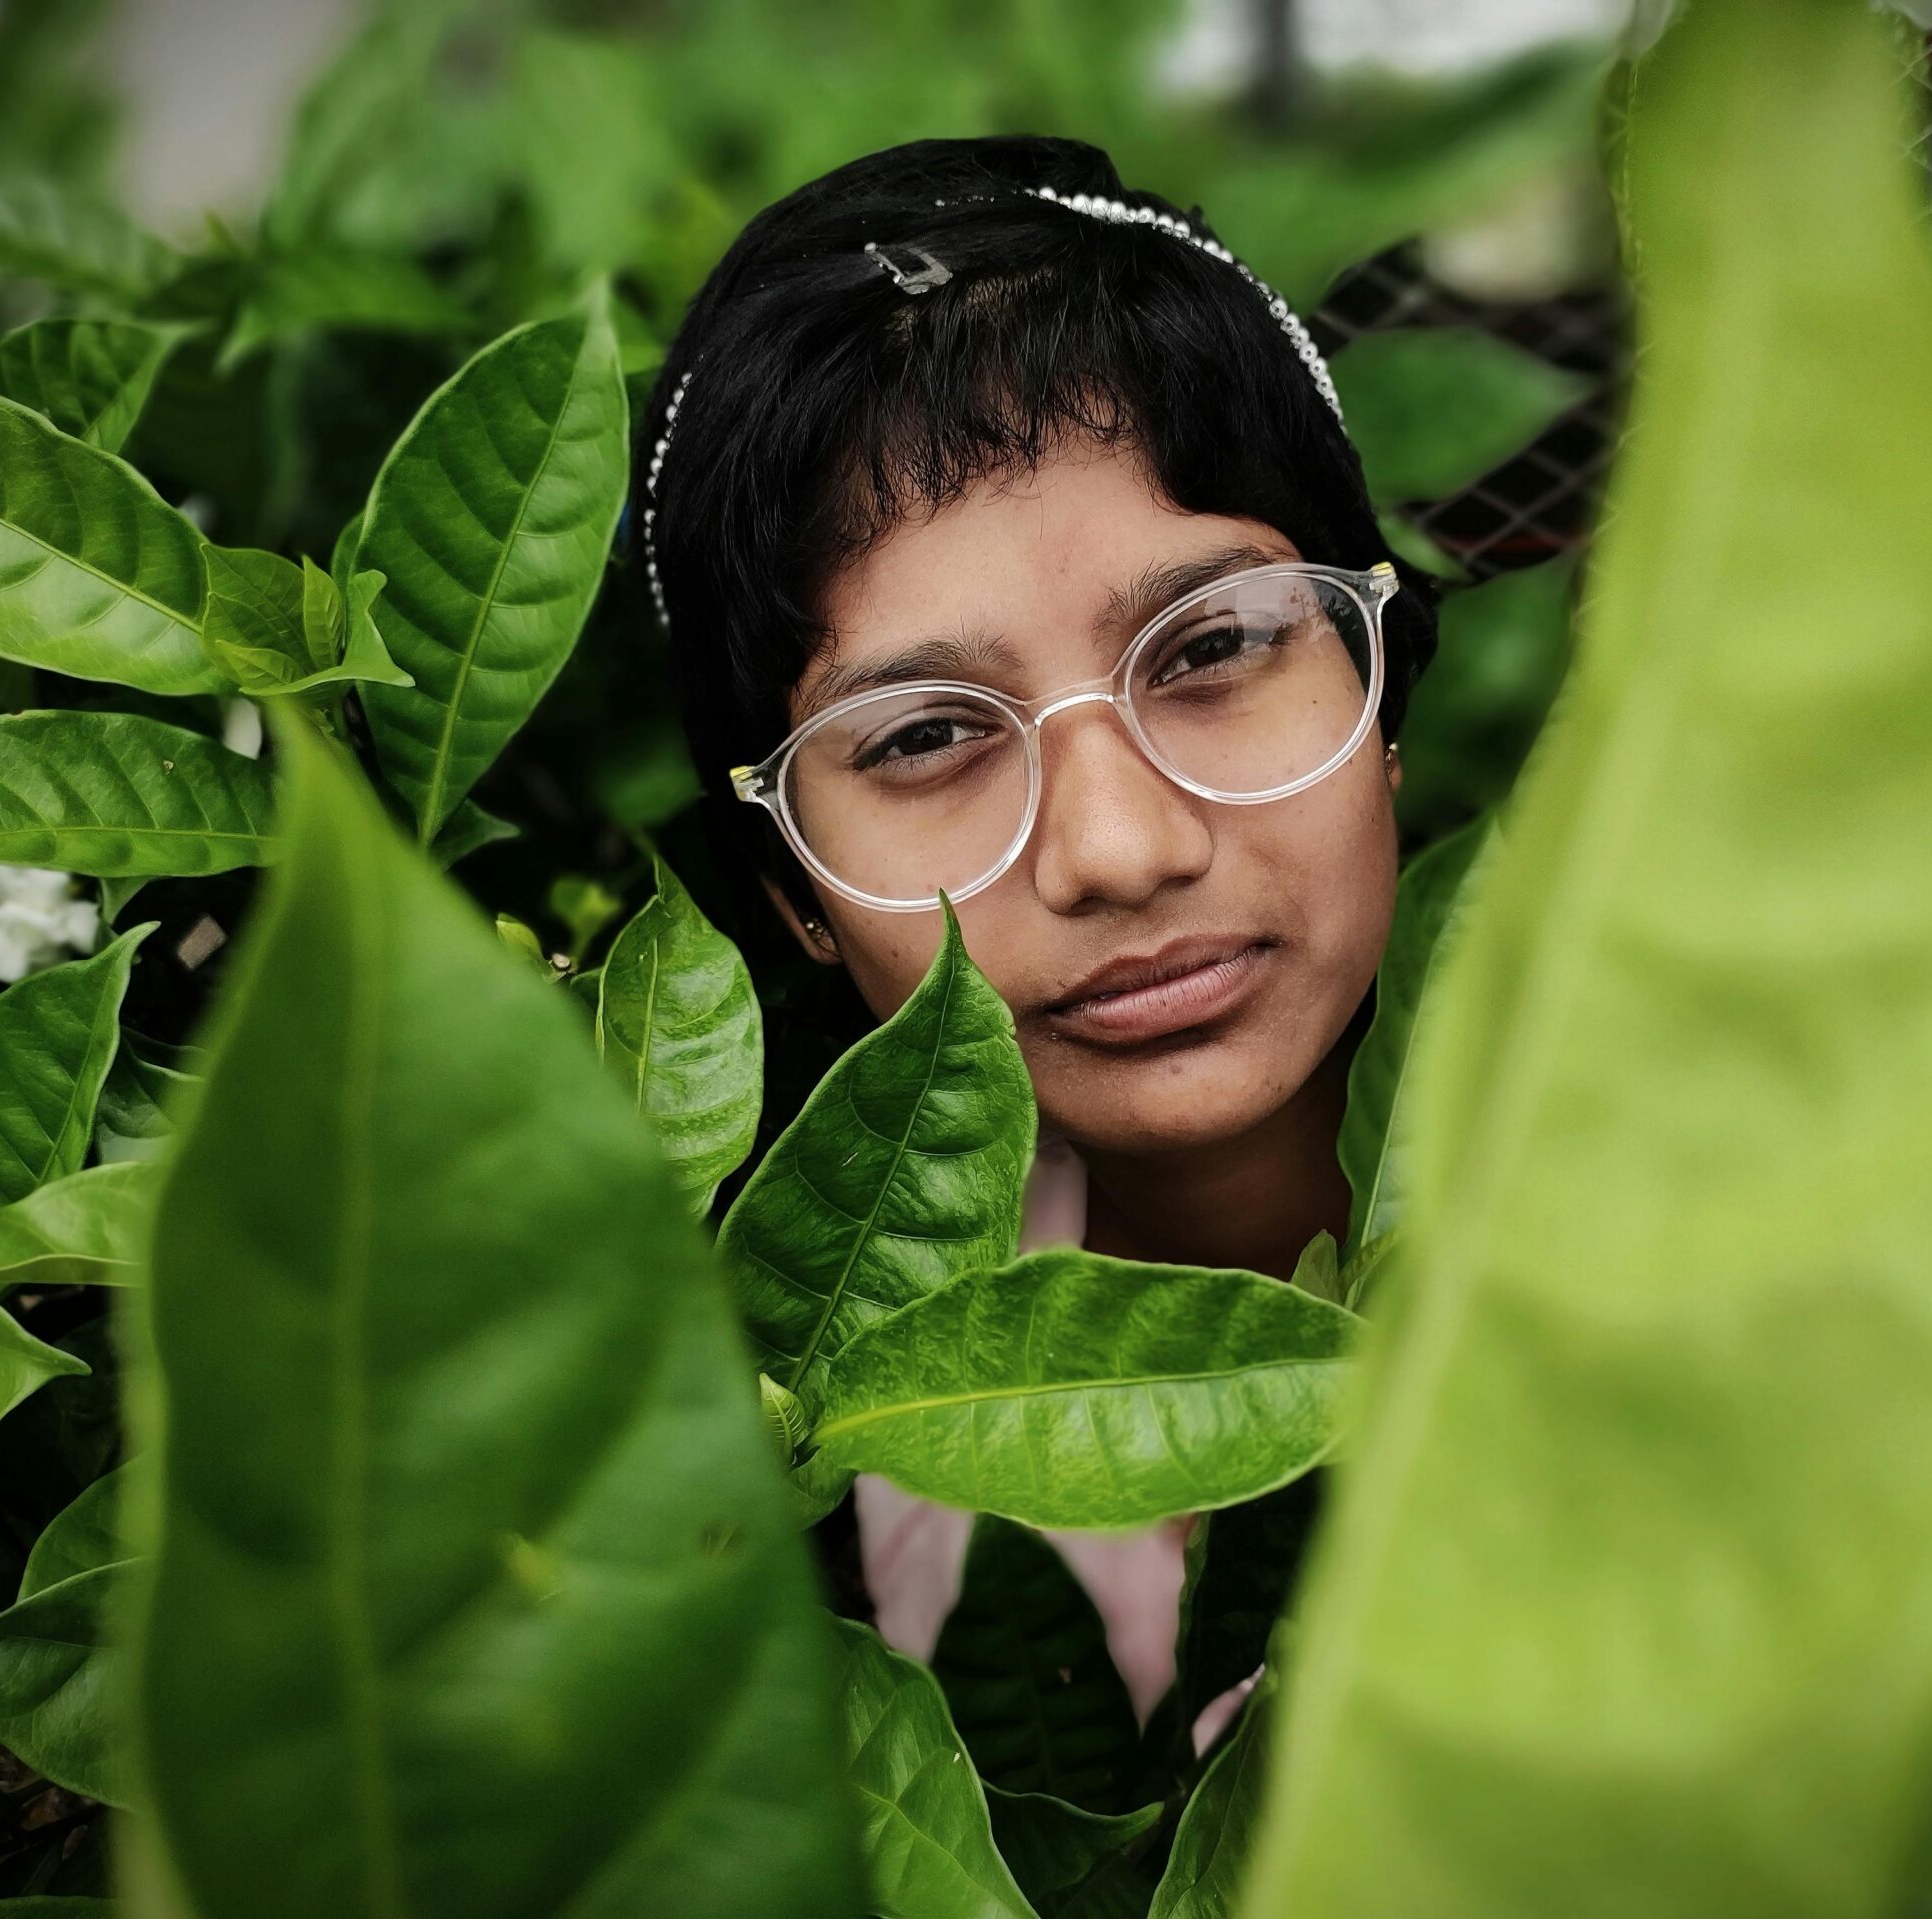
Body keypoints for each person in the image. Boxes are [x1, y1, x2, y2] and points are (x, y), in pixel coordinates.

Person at [634, 132, 1441, 1756]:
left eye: (1213, 644)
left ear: (1380, 703)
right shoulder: (813, 1517)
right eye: (927, 737)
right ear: (791, 892)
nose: (1120, 848)